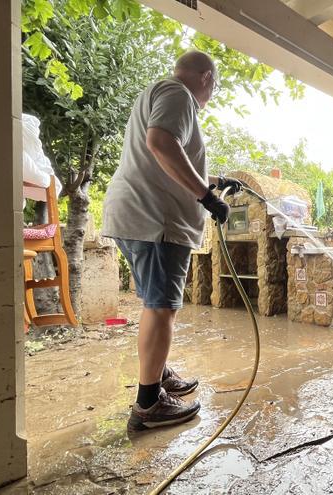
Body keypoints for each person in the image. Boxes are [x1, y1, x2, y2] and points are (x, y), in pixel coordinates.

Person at [102, 51, 242, 432]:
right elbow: (161, 143)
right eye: (214, 83)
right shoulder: (179, 93)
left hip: (139, 214)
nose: (213, 90)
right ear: (207, 77)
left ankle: (158, 374)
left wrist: (213, 182)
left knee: (155, 303)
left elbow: (166, 159)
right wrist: (207, 197)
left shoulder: (162, 93)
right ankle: (148, 405)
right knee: (161, 307)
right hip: (155, 218)